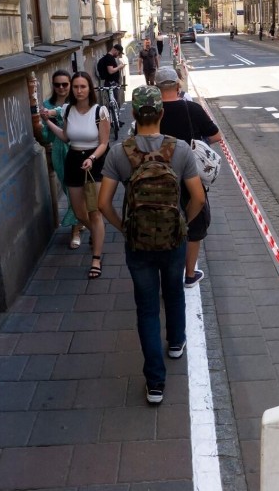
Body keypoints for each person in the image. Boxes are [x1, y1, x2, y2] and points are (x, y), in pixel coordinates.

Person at [98, 86, 205, 405]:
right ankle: (176, 342)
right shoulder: (180, 150)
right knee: (173, 291)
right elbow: (198, 197)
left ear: (133, 114)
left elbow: (104, 203)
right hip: (173, 238)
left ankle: (155, 383)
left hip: (138, 242)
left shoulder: (120, 151)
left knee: (146, 308)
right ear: (160, 113)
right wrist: (183, 223)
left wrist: (124, 227)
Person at [155, 66, 221, 287]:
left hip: (160, 179)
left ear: (156, 87)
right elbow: (216, 136)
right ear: (177, 84)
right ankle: (190, 274)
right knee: (194, 226)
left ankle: (167, 274)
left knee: (164, 225)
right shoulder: (191, 109)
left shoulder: (151, 113)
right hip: (191, 178)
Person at [40, 71, 110, 280]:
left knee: (94, 211)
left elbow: (104, 143)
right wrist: (48, 121)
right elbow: (65, 136)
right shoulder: (67, 110)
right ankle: (97, 234)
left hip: (94, 163)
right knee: (79, 213)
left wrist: (92, 159)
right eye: (76, 87)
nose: (79, 91)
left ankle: (96, 258)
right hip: (73, 160)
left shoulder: (100, 111)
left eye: (83, 87)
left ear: (90, 89)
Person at [41, 70, 84, 249]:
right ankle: (81, 219)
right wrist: (44, 124)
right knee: (69, 191)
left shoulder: (77, 103)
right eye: (57, 84)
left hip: (79, 149)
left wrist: (55, 114)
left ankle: (75, 231)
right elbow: (45, 136)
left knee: (78, 192)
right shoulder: (46, 104)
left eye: (65, 84)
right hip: (59, 151)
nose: (61, 88)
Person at [97, 44, 127, 111]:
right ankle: (116, 120)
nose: (118, 55)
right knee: (115, 101)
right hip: (111, 83)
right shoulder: (109, 58)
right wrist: (119, 67)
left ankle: (116, 119)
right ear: (115, 50)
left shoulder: (108, 58)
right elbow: (110, 71)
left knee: (114, 101)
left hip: (110, 82)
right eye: (119, 53)